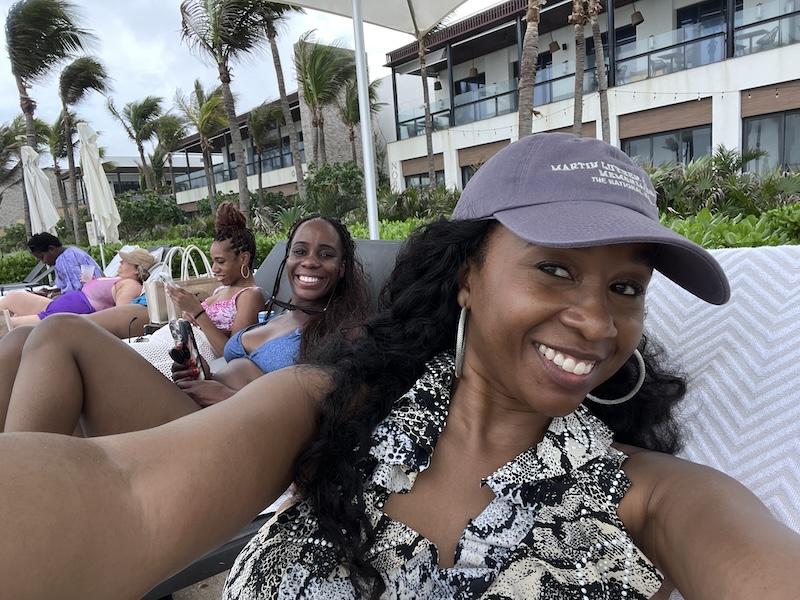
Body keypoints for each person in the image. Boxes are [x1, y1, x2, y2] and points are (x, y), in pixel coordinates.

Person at [1, 134, 799, 600]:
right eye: (555, 269)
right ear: (467, 275)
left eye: (625, 288)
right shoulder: (332, 406)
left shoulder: (654, 496)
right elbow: (125, 497)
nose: (597, 320)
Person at [0, 214, 369, 436]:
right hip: (195, 401)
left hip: (229, 425)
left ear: (343, 268)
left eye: (326, 254)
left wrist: (231, 396)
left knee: (61, 333)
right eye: (300, 251)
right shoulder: (279, 314)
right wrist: (202, 370)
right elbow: (232, 359)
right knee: (22, 341)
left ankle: (17, 494)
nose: (310, 262)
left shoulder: (344, 330)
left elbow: (330, 411)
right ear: (288, 258)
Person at [128, 202, 264, 377]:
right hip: (169, 340)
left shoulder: (250, 296)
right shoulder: (220, 291)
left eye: (220, 261)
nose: (214, 269)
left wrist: (198, 312)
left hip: (190, 354)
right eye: (213, 261)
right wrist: (190, 313)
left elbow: (233, 353)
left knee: (119, 358)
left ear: (244, 258)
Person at [0, 247, 153, 334]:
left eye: (125, 261)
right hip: (58, 306)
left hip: (67, 314)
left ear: (136, 269)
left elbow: (121, 317)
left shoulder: (130, 285)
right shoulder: (119, 280)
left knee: (8, 324)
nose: (120, 262)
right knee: (11, 298)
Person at [0, 232, 101, 319]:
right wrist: (51, 292)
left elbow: (77, 292)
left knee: (17, 307)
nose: (43, 262)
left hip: (87, 306)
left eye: (42, 257)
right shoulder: (71, 252)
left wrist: (50, 296)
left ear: (51, 249)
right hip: (91, 299)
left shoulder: (65, 260)